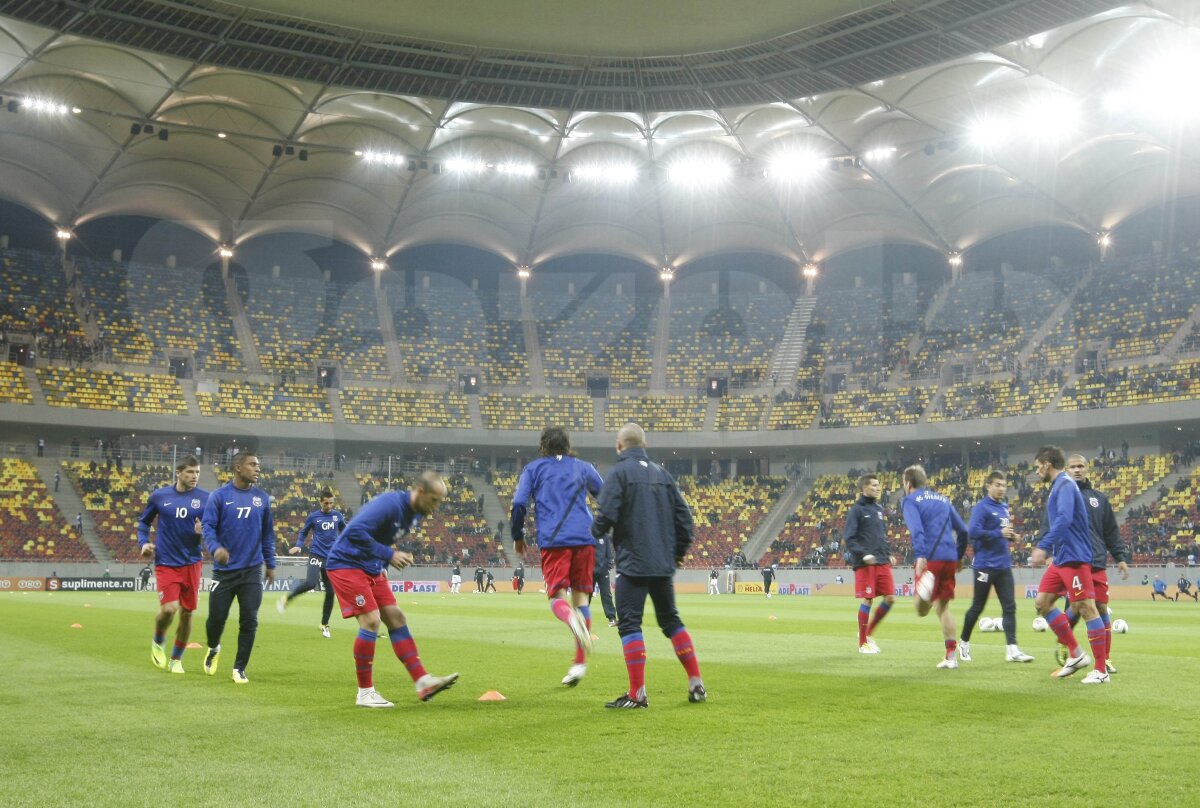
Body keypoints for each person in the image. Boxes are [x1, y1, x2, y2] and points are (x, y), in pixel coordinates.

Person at [591, 423, 705, 708]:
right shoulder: (663, 475)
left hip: (633, 564)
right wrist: (676, 554)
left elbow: (605, 516)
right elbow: (685, 521)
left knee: (629, 624)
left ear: (619, 446)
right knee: (671, 621)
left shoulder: (618, 474)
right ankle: (696, 682)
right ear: (645, 443)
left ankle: (637, 693)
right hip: (662, 564)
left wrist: (593, 534)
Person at [325, 471, 458, 707]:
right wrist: (389, 555)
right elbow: (354, 532)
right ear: (420, 491)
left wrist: (382, 563)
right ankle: (365, 693)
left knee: (396, 617)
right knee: (371, 621)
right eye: (434, 500)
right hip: (346, 563)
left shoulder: (416, 513)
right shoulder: (390, 504)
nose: (436, 507)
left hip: (371, 567)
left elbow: (382, 536)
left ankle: (422, 681)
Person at [511, 426, 603, 687]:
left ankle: (570, 620)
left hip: (554, 541)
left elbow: (519, 503)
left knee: (556, 598)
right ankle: (579, 664)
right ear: (567, 444)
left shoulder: (534, 469)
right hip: (585, 539)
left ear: (544, 445)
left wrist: (518, 535)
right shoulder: (584, 467)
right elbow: (606, 496)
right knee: (581, 598)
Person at [1030, 445, 1109, 684]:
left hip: (1074, 557)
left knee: (1086, 607)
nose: (1036, 472)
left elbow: (1064, 519)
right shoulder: (1058, 486)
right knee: (1042, 603)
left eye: (1037, 467)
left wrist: (1044, 546)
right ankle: (1075, 654)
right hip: (1062, 558)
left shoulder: (1064, 485)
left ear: (1046, 464)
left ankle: (1100, 670)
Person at [201, 451, 277, 685]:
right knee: (216, 620)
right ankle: (214, 647)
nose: (257, 468)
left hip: (252, 570)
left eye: (258, 464)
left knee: (249, 620)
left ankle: (239, 668)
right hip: (224, 572)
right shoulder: (219, 496)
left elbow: (267, 534)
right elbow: (208, 527)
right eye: (252, 464)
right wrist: (216, 549)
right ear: (238, 467)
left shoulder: (262, 498)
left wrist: (270, 564)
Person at [1054, 455, 1129, 673]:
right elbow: (1052, 525)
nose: (1077, 470)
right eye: (1073, 467)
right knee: (1077, 608)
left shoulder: (1099, 499)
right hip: (1074, 561)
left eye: (1081, 466)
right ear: (1066, 470)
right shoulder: (1060, 496)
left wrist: (1120, 557)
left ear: (1087, 469)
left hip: (1096, 560)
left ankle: (1104, 659)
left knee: (1102, 608)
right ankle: (1067, 647)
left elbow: (1111, 531)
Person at [138, 455, 209, 673]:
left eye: (197, 472)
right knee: (169, 609)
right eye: (190, 472)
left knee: (187, 613)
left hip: (192, 562)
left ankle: (176, 659)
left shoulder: (206, 498)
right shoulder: (160, 496)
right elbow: (143, 523)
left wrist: (202, 533)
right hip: (166, 562)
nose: (194, 476)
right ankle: (159, 640)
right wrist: (144, 543)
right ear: (178, 473)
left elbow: (212, 529)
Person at [959, 471, 1033, 663]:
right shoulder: (981, 508)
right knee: (977, 607)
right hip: (984, 566)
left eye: (1004, 485)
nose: (1002, 488)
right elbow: (973, 532)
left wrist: (1011, 536)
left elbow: (1001, 533)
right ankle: (964, 643)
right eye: (998, 485)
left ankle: (1012, 650)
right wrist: (998, 533)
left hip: (1003, 565)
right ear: (988, 486)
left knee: (1010, 607)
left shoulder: (1004, 507)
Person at [902, 465, 969, 669]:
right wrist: (958, 557)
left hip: (930, 557)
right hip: (949, 557)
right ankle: (951, 657)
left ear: (908, 483)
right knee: (943, 607)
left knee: (922, 610)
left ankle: (925, 589)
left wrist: (921, 554)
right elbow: (963, 531)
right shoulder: (943, 500)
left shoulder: (910, 500)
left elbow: (917, 530)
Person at [277, 487, 344, 637]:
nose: (329, 506)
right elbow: (303, 532)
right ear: (321, 502)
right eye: (326, 503)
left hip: (330, 558)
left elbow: (345, 531)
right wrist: (299, 545)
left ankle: (324, 624)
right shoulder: (314, 517)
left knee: (331, 592)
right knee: (310, 583)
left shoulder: (337, 516)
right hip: (316, 555)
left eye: (331, 503)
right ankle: (287, 598)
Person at [844, 474, 896, 654]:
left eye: (878, 485)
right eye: (874, 485)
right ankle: (862, 643)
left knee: (890, 598)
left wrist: (888, 554)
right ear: (864, 488)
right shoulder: (856, 510)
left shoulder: (878, 508)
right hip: (866, 563)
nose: (878, 488)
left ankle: (868, 634)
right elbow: (849, 539)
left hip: (882, 560)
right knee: (868, 599)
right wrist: (864, 554)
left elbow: (881, 535)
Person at [594, 534, 617, 624]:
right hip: (589, 571)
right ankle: (582, 617)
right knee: (586, 595)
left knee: (606, 594)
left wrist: (608, 567)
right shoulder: (587, 534)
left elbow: (609, 554)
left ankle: (612, 617)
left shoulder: (605, 537)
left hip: (603, 571)